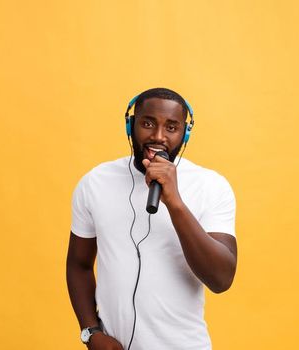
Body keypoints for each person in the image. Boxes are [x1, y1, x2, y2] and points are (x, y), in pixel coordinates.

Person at [66, 88, 238, 350]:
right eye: (148, 123)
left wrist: (174, 201)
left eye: (171, 127)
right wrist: (91, 332)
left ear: (185, 133)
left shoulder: (211, 186)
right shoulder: (95, 183)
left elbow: (221, 279)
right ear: (130, 125)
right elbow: (78, 265)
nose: (158, 136)